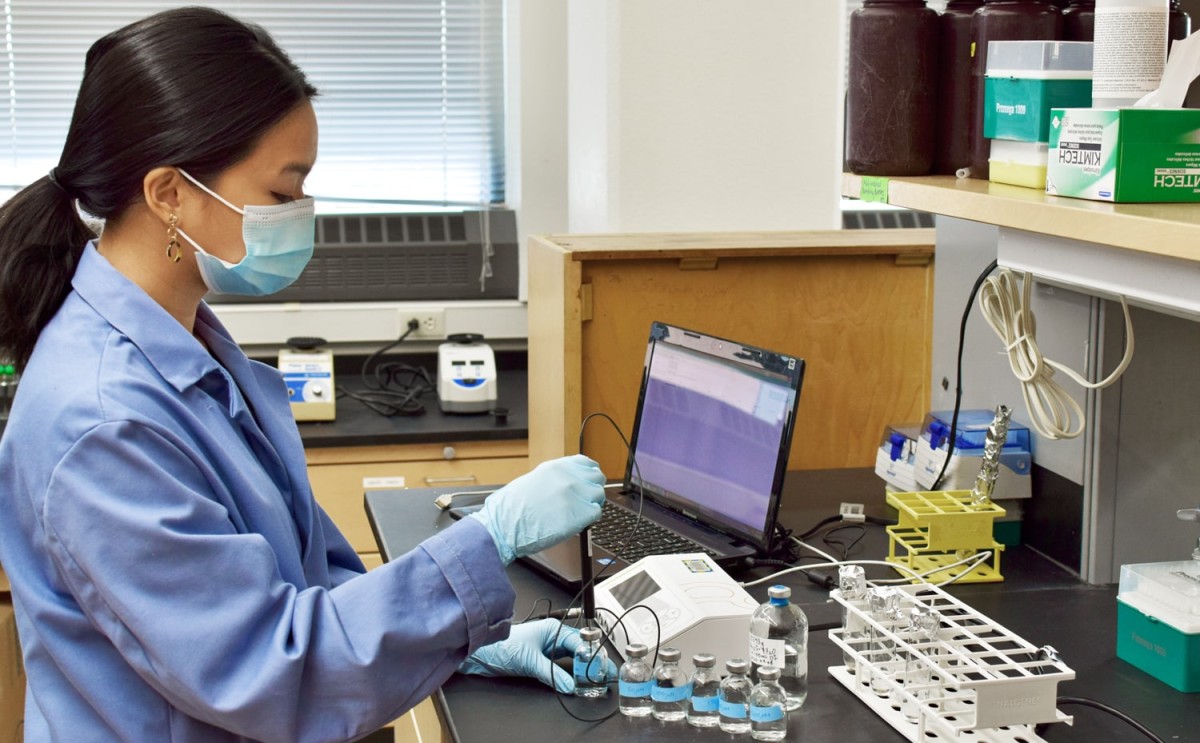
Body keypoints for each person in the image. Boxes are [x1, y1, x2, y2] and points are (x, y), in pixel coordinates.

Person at [0, 8, 613, 742]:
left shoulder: (194, 353)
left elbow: (313, 584)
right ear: (169, 193)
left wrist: (466, 643)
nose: (302, 218)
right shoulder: (100, 420)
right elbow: (265, 665)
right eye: (282, 194)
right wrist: (489, 537)